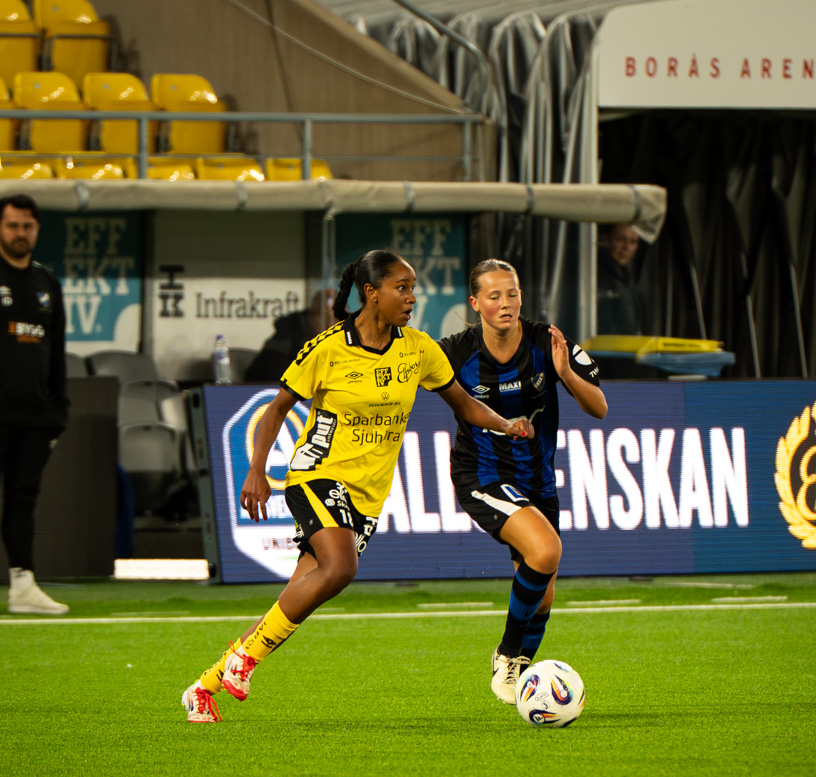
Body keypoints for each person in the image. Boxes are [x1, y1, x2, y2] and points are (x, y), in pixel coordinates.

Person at [182, 249, 533, 723]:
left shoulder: (418, 350)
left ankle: (205, 686)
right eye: (401, 288)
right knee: (341, 568)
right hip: (317, 473)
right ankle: (242, 662)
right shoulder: (327, 348)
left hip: (367, 495)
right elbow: (277, 409)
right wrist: (256, 470)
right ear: (372, 292)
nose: (412, 298)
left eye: (413, 288)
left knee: (300, 595)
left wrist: (505, 424)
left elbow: (464, 404)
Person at [439, 259, 607, 704]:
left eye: (512, 293)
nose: (505, 303)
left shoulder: (547, 341)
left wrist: (566, 374)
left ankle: (521, 679)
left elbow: (600, 408)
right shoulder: (454, 352)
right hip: (481, 473)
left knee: (544, 597)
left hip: (538, 480)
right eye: (494, 296)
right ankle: (507, 655)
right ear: (475, 303)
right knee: (546, 549)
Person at [0, 193, 69, 615]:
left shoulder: (47, 283)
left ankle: (23, 587)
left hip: (35, 416)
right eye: (12, 225)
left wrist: (58, 409)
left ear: (37, 229)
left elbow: (57, 351)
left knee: (23, 500)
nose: (19, 233)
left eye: (27, 226)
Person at [244, 288, 334, 383]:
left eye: (337, 319)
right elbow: (290, 384)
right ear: (310, 316)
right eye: (326, 317)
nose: (332, 324)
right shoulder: (281, 349)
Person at [597, 222, 644, 335]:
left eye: (633, 242)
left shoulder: (627, 279)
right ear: (606, 239)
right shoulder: (594, 276)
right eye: (620, 239)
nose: (626, 247)